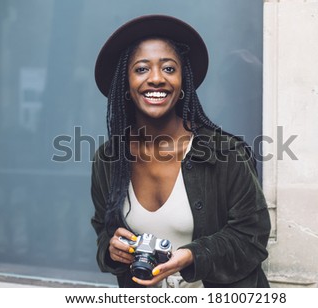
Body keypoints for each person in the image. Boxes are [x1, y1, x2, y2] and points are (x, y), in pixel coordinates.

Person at [91, 15, 271, 288]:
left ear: (182, 81)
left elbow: (252, 237)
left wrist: (192, 256)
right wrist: (111, 249)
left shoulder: (225, 153)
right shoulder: (108, 160)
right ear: (125, 85)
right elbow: (103, 230)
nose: (155, 79)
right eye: (141, 69)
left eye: (168, 69)